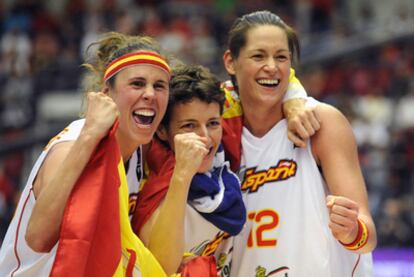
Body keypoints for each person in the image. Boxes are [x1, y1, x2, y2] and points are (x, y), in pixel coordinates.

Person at [220, 10, 377, 276]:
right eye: (259, 55)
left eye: (281, 57)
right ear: (230, 62)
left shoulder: (322, 122)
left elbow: (368, 235)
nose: (272, 66)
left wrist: (352, 231)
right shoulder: (216, 127)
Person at [0, 32, 170, 276]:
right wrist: (90, 135)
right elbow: (37, 237)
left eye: (159, 86)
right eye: (137, 83)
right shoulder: (74, 143)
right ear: (106, 93)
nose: (150, 94)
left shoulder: (138, 155)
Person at [132, 64, 245, 276]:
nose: (205, 137)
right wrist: (182, 174)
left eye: (212, 123)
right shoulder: (155, 183)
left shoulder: (225, 156)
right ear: (162, 131)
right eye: (189, 126)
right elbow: (161, 266)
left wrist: (294, 100)